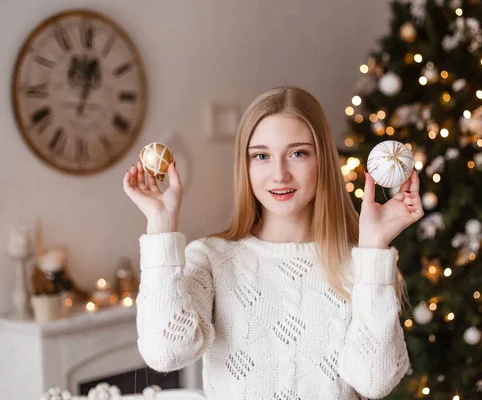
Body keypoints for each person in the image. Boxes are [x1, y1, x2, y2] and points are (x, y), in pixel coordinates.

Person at [123, 86, 424, 399]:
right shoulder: (211, 258)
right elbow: (165, 353)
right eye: (262, 156)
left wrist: (374, 247)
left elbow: (375, 382)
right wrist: (161, 227)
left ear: (322, 160)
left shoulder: (360, 263)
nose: (280, 174)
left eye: (297, 153)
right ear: (246, 165)